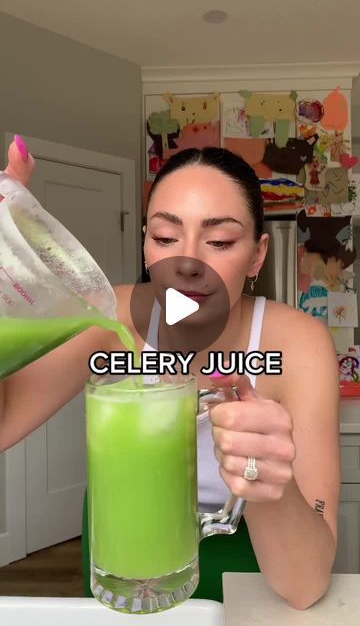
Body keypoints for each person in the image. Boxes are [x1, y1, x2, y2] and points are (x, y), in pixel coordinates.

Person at [0, 137, 340, 610]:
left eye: (219, 241)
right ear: (145, 246)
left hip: (252, 567)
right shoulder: (111, 318)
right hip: (125, 560)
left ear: (257, 256)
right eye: (165, 238)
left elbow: (305, 585)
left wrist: (262, 483)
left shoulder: (299, 345)